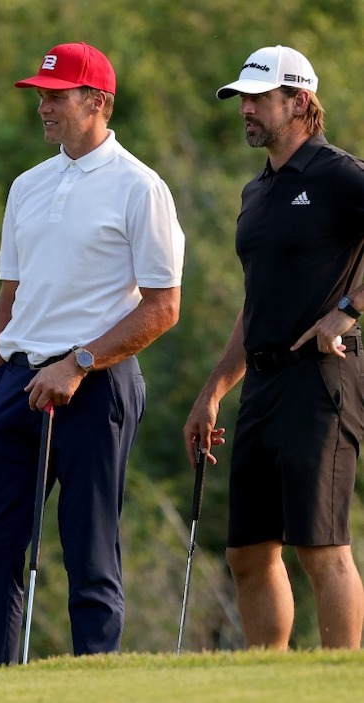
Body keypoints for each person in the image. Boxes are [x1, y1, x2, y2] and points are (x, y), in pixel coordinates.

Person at [0, 42, 184, 666]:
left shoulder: (141, 187)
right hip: (17, 384)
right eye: (41, 94)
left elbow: (163, 307)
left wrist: (78, 364)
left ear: (97, 102)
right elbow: (11, 291)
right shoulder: (28, 185)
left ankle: (92, 678)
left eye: (56, 95)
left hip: (97, 384)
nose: (43, 105)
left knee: (89, 552)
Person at [184, 45, 364, 650]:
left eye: (259, 98)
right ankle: (271, 682)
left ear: (299, 102)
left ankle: (341, 680)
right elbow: (255, 302)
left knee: (321, 547)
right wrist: (213, 391)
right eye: (243, 99)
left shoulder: (339, 174)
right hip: (260, 384)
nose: (247, 110)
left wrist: (348, 310)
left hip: (321, 378)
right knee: (248, 552)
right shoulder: (255, 193)